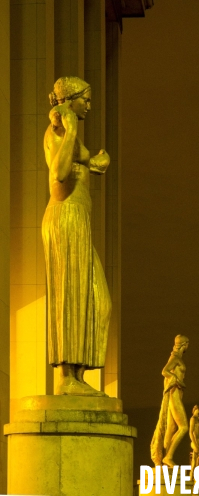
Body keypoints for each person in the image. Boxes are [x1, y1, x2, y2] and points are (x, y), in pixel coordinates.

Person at [42, 76, 112, 396]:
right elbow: (58, 172)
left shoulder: (73, 138)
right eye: (85, 98)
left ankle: (79, 374)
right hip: (66, 217)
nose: (89, 104)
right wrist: (69, 128)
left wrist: (99, 161)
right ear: (70, 100)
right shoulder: (57, 133)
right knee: (70, 294)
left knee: (99, 301)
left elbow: (88, 162)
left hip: (80, 220)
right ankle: (67, 377)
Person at [151, 335, 189, 467]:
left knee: (171, 428)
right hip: (174, 394)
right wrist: (176, 380)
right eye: (187, 344)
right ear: (184, 344)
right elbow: (164, 371)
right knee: (184, 427)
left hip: (177, 393)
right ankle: (168, 456)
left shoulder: (177, 358)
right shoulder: (175, 358)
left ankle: (164, 457)